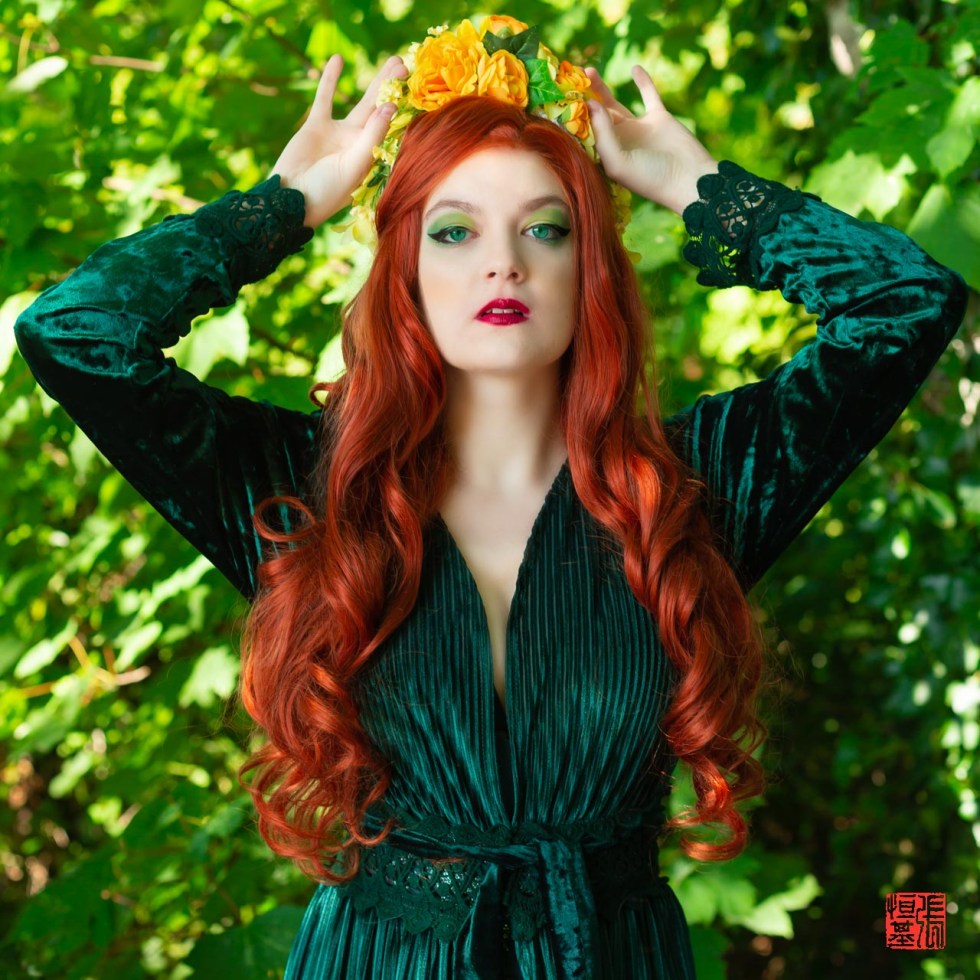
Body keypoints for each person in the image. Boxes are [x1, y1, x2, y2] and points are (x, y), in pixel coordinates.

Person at [13, 14, 966, 980]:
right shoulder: (311, 494)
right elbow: (76, 333)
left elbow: (906, 303)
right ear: (405, 271)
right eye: (455, 230)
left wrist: (701, 189)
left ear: (590, 268)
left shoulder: (690, 488)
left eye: (545, 229)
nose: (503, 262)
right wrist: (284, 205)